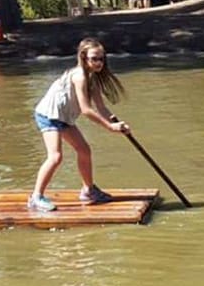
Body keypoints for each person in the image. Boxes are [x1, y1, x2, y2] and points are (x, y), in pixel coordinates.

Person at [28, 38, 130, 213]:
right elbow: (86, 110)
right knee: (56, 156)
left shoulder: (93, 78)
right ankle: (36, 197)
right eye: (94, 59)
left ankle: (88, 191)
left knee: (84, 150)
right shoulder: (80, 76)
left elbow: (101, 108)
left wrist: (116, 122)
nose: (99, 63)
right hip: (48, 116)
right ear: (84, 58)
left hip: (64, 118)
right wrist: (109, 127)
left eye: (102, 59)